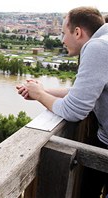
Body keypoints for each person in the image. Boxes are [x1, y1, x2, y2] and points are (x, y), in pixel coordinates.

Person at [16, 6, 108, 198]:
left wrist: (41, 96)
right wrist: (41, 90)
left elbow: (74, 110)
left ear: (77, 32)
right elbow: (81, 93)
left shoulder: (98, 47)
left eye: (63, 33)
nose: (62, 40)